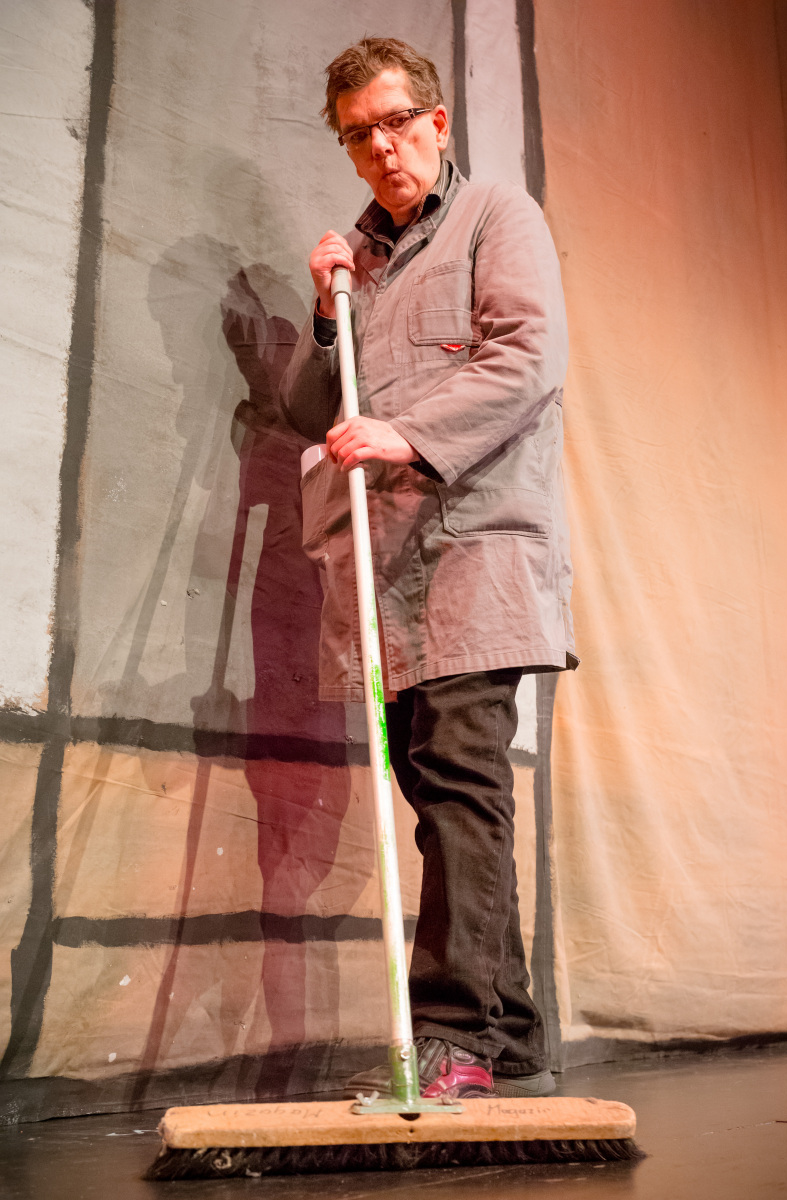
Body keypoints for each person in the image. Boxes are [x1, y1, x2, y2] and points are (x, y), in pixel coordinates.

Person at [281, 37, 576, 1101]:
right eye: (357, 135)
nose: (381, 148)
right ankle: (511, 1033)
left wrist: (406, 435)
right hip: (388, 570)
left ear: (436, 123)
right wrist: (327, 314)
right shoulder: (353, 262)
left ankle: (452, 1035)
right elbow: (307, 412)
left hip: (476, 549)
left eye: (396, 123)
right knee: (435, 789)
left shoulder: (496, 216)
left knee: (459, 783)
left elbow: (527, 357)